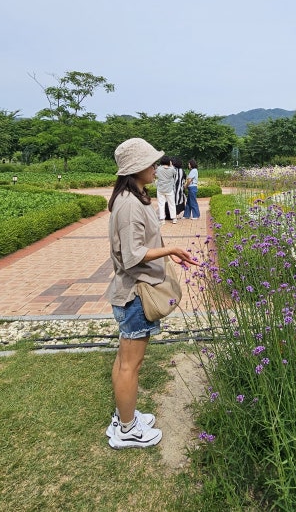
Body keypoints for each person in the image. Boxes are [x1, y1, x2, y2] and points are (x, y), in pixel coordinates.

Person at [106, 138, 197, 449]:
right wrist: (170, 248)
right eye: (152, 163)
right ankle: (127, 429)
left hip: (129, 292)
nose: (157, 167)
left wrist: (165, 251)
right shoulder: (130, 204)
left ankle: (125, 417)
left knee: (124, 361)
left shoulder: (130, 197)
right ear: (136, 169)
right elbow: (132, 255)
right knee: (131, 364)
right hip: (135, 295)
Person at [154, 156, 177, 224]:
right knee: (172, 204)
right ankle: (174, 219)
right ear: (169, 162)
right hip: (169, 189)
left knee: (161, 204)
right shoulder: (171, 169)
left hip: (160, 189)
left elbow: (156, 175)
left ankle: (162, 220)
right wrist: (171, 165)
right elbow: (175, 173)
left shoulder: (158, 169)